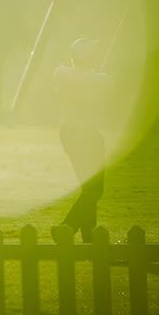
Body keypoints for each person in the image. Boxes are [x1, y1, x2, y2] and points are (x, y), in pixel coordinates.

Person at [54, 38, 113, 242]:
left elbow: (77, 74)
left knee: (89, 188)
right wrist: (95, 74)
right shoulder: (101, 79)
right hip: (88, 136)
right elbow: (103, 84)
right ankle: (67, 227)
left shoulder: (61, 73)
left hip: (69, 134)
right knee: (95, 189)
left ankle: (89, 238)